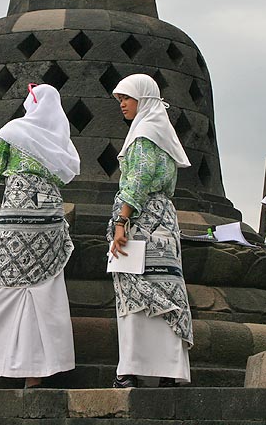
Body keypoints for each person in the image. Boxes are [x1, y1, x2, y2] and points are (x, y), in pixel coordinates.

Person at [0, 83, 79, 390]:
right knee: (44, 294)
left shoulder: (12, 132)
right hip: (49, 220)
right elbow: (68, 174)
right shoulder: (61, 139)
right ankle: (35, 375)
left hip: (15, 220)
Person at [108, 74, 193, 388]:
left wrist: (121, 222)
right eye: (120, 100)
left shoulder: (143, 134)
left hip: (139, 223)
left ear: (143, 99)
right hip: (165, 222)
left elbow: (138, 180)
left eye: (127, 99)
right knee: (165, 292)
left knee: (134, 295)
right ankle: (167, 371)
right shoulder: (162, 133)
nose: (123, 106)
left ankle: (130, 371)